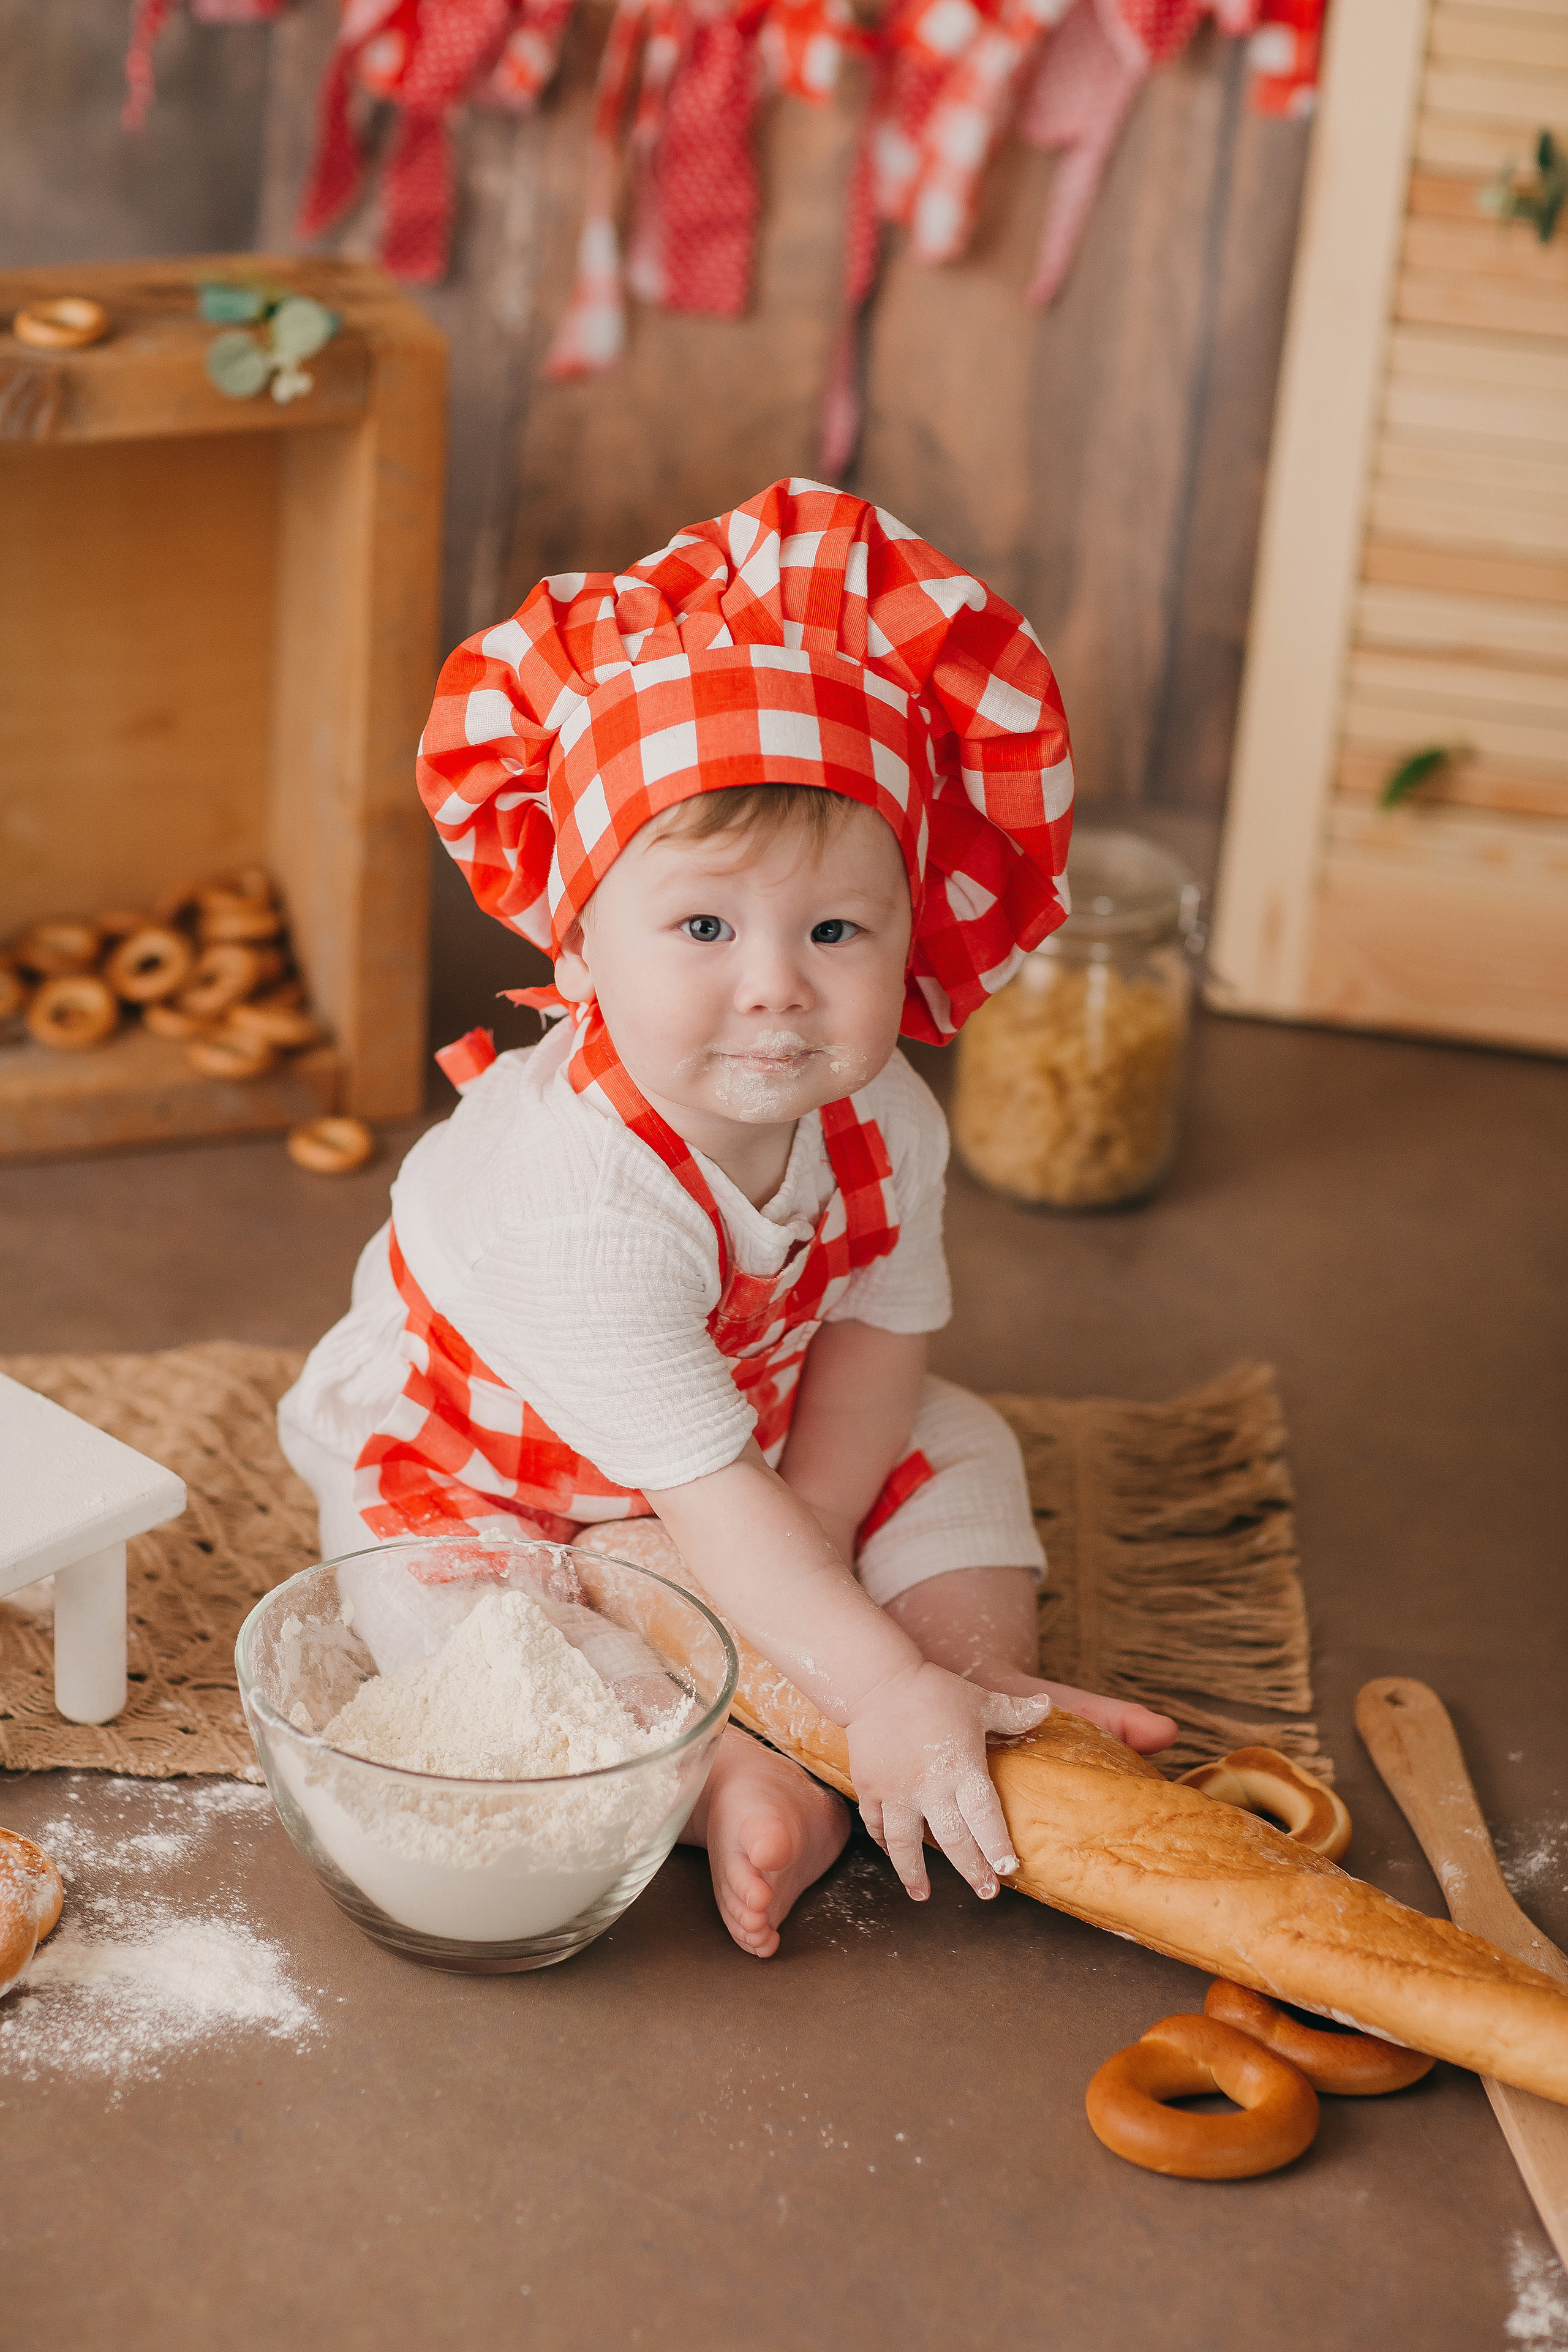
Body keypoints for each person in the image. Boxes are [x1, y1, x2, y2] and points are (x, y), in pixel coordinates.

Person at [279, 478, 1175, 1959]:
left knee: (960, 1445)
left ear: (908, 933)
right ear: (576, 935)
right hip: (483, 1475)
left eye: (836, 931)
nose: (775, 985)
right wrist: (834, 1661)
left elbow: (881, 1340)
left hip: (742, 1448)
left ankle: (976, 1693)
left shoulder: (883, 1116)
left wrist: (817, 1575)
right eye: (702, 928)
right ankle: (740, 1774)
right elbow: (702, 1512)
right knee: (504, 1664)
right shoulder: (574, 1199)